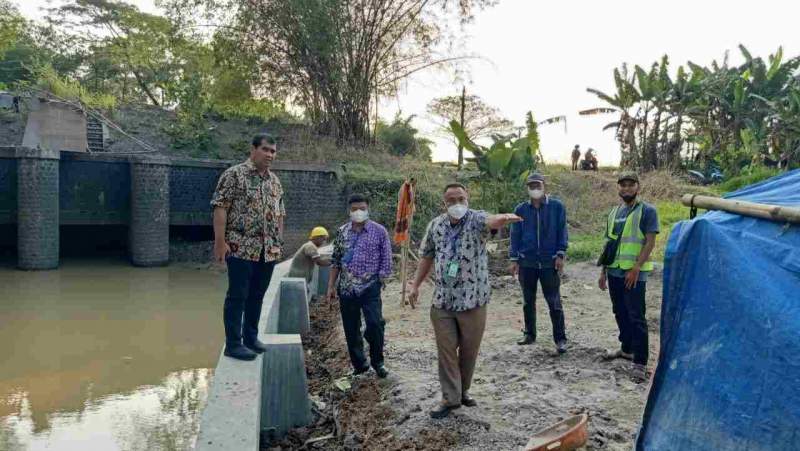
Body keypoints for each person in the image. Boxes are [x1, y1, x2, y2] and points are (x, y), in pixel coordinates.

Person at [407, 183, 522, 419]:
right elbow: (427, 256)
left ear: (467, 199)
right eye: (451, 200)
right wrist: (415, 285)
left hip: (473, 301)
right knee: (446, 350)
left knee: (469, 351)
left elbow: (490, 221)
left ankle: (463, 391)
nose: (456, 204)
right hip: (443, 300)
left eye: (461, 199)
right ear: (444, 203)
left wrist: (501, 219)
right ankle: (450, 398)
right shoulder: (435, 225)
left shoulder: (476, 220)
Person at [211, 134, 285, 361]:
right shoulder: (234, 175)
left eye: (273, 151)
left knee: (257, 295)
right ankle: (233, 344)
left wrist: (278, 242)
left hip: (268, 250)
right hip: (240, 247)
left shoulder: (274, 181)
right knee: (237, 295)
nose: (270, 155)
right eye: (265, 149)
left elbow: (280, 213)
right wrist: (220, 242)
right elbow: (220, 208)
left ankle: (251, 338)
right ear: (253, 149)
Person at [598, 171, 659, 381]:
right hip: (614, 270)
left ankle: (640, 362)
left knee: (636, 316)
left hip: (634, 273)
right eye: (622, 185)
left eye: (630, 184)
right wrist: (603, 271)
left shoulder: (647, 211)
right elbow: (609, 244)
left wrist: (636, 268)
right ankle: (626, 349)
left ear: (637, 187)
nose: (626, 188)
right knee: (620, 311)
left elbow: (650, 242)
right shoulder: (614, 212)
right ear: (618, 188)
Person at [325, 194, 393, 378]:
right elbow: (336, 260)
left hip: (370, 287)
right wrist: (331, 286)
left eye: (362, 208)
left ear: (368, 209)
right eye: (354, 209)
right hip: (347, 288)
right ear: (349, 211)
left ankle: (378, 362)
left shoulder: (379, 231)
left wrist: (381, 279)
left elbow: (386, 258)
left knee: (375, 324)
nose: (358, 212)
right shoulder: (342, 232)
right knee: (350, 328)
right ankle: (359, 364)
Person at [509, 172, 568, 353]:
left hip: (549, 262)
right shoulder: (521, 209)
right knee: (528, 301)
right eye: (531, 186)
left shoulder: (556, 207)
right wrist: (514, 259)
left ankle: (560, 339)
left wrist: (560, 254)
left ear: (544, 186)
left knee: (554, 302)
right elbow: (515, 235)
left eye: (538, 185)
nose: (535, 189)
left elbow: (562, 231)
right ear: (528, 188)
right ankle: (529, 334)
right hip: (527, 262)